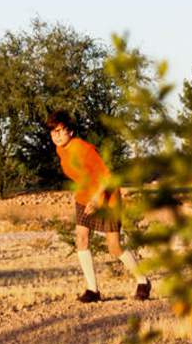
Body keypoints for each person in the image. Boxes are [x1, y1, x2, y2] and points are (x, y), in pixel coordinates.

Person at [46, 109, 151, 302]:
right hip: (84, 198)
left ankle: (143, 281)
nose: (56, 136)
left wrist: (96, 200)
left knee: (114, 247)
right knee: (81, 238)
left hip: (106, 198)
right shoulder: (60, 150)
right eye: (53, 132)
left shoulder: (84, 149)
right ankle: (92, 290)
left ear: (70, 131)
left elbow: (107, 177)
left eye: (60, 131)